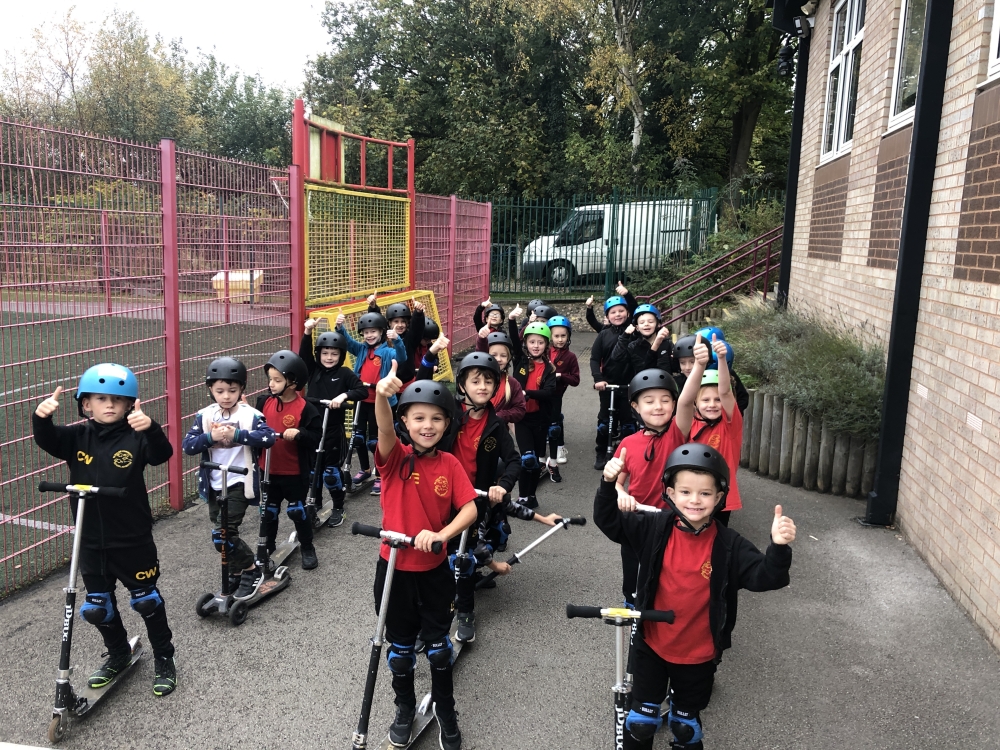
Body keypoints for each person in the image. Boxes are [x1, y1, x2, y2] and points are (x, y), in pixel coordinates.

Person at [595, 443, 796, 749]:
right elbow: (608, 521)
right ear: (671, 493)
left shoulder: (730, 545)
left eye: (705, 493)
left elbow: (765, 577)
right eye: (685, 491)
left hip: (698, 655)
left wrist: (778, 548)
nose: (695, 500)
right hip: (652, 645)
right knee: (641, 724)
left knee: (686, 727)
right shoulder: (653, 528)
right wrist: (609, 485)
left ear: (718, 498)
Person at [33, 364, 177, 696]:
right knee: (98, 607)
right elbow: (49, 439)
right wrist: (41, 419)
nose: (109, 405)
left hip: (132, 538)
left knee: (146, 601)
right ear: (86, 405)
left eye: (117, 399)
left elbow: (162, 455)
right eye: (101, 399)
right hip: (90, 541)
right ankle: (118, 653)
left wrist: (152, 429)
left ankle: (165, 658)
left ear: (129, 404)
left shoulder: (136, 436)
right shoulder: (76, 437)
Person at [372, 366, 481, 750]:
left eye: (436, 418)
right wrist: (382, 397)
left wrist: (442, 534)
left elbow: (469, 509)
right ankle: (404, 708)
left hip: (434, 571)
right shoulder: (394, 459)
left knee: (438, 649)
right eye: (418, 417)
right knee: (400, 653)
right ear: (405, 420)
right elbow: (384, 429)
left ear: (447, 423)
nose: (428, 425)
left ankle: (446, 712)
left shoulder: (449, 465)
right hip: (393, 572)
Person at [441, 352, 561, 643]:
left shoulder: (495, 424)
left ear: (496, 388)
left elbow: (514, 460)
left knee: (463, 559)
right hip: (441, 495)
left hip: (474, 500)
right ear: (462, 385)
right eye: (475, 380)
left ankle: (465, 613)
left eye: (488, 381)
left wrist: (502, 486)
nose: (482, 386)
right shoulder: (449, 414)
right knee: (435, 557)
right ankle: (435, 615)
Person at [182, 357, 277, 599]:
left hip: (238, 482)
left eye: (232, 391)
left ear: (241, 389)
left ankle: (252, 569)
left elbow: (268, 438)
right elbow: (188, 446)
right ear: (210, 390)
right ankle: (236, 572)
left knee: (222, 534)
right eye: (220, 391)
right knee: (223, 534)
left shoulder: (251, 415)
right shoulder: (205, 416)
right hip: (214, 482)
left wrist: (239, 434)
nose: (226, 396)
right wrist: (210, 437)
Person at [609, 368, 700, 604]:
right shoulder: (628, 443)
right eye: (649, 401)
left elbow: (688, 400)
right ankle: (632, 606)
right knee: (633, 573)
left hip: (672, 519)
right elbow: (616, 483)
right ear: (636, 407)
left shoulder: (677, 434)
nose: (658, 406)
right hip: (638, 518)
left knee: (669, 573)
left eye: (665, 400)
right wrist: (621, 495)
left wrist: (699, 365)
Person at [254, 351, 323, 570]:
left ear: (293, 383)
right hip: (268, 471)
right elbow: (254, 427)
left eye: (277, 380)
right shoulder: (264, 402)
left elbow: (315, 437)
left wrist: (300, 433)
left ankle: (307, 547)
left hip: (294, 473)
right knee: (269, 512)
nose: (271, 384)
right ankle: (268, 548)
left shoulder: (306, 408)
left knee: (297, 511)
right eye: (270, 379)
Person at [300, 321, 369, 528]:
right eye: (325, 353)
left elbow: (362, 391)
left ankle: (338, 505)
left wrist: (344, 395)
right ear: (319, 354)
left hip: (332, 430)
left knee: (330, 472)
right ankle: (316, 505)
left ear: (341, 355)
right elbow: (304, 356)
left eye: (334, 354)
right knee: (313, 472)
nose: (329, 358)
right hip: (312, 429)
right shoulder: (313, 371)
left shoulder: (345, 374)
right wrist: (307, 331)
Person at [336, 310, 407, 495]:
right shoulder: (361, 349)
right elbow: (348, 343)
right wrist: (340, 327)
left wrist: (398, 340)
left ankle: (380, 475)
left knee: (376, 442)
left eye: (373, 331)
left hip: (380, 403)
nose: (369, 335)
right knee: (358, 438)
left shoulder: (387, 351)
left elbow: (401, 358)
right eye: (366, 332)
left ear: (382, 332)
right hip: (362, 400)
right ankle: (365, 469)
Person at [689, 335, 743, 526]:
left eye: (717, 400)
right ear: (696, 402)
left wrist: (721, 359)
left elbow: (725, 392)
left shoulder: (730, 424)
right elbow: (684, 400)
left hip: (719, 494)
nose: (712, 405)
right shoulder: (690, 422)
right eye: (705, 400)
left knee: (716, 539)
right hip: (691, 493)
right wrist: (698, 364)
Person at [509, 318, 557, 509]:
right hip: (522, 419)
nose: (535, 346)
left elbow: (548, 393)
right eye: (532, 342)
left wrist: (527, 393)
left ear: (546, 345)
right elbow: (513, 340)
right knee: (527, 458)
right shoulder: (521, 361)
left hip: (540, 420)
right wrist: (512, 320)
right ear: (526, 343)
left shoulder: (549, 369)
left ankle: (531, 495)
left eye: (540, 342)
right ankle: (521, 497)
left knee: (536, 462)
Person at [590, 291, 638, 469]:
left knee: (628, 423)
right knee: (605, 422)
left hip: (630, 385)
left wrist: (628, 295)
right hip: (608, 385)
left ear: (627, 313)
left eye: (621, 311)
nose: (617, 315)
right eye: (613, 312)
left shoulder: (633, 331)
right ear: (607, 316)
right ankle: (601, 452)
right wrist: (598, 379)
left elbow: (636, 310)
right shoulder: (604, 334)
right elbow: (595, 359)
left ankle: (628, 455)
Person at [674, 332, 749, 416]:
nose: (687, 367)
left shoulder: (723, 374)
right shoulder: (678, 382)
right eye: (682, 363)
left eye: (692, 361)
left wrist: (728, 416)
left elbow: (738, 397)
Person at [544, 315, 580, 479]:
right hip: (542, 392)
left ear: (568, 336)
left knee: (556, 420)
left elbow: (575, 380)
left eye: (563, 336)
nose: (560, 339)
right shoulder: (544, 351)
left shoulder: (570, 357)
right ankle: (541, 451)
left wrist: (560, 376)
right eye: (556, 336)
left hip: (557, 393)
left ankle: (559, 447)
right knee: (540, 419)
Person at [364, 295, 428, 385]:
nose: (400, 325)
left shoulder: (410, 339)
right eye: (396, 321)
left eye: (403, 321)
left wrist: (418, 313)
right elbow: (377, 322)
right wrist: (373, 307)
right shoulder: (384, 337)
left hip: (406, 383)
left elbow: (417, 328)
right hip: (387, 382)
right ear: (389, 323)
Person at [476, 329, 527, 425]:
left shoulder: (512, 383)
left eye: (503, 355)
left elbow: (520, 409)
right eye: (493, 355)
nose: (498, 359)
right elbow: (479, 354)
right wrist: (481, 339)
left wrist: (500, 415)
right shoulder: (477, 378)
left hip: (498, 431)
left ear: (508, 359)